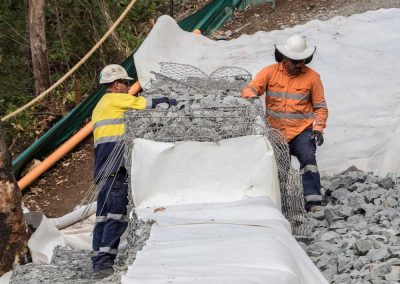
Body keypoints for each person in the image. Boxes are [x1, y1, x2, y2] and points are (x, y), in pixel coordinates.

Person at [91, 64, 176, 277]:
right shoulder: (116, 99)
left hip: (102, 169)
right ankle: (103, 264)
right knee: (117, 215)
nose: (129, 87)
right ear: (116, 84)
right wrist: (165, 100)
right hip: (115, 168)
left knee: (102, 216)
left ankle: (97, 258)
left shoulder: (99, 105)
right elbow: (142, 103)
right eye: (126, 84)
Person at [241, 35, 328, 213]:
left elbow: (320, 107)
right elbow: (250, 88)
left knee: (308, 160)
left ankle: (313, 203)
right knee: (279, 168)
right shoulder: (269, 72)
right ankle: (278, 203)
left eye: (302, 61)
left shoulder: (312, 77)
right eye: (295, 61)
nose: (299, 65)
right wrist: (250, 97)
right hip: (276, 131)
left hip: (301, 131)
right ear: (285, 58)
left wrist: (318, 128)